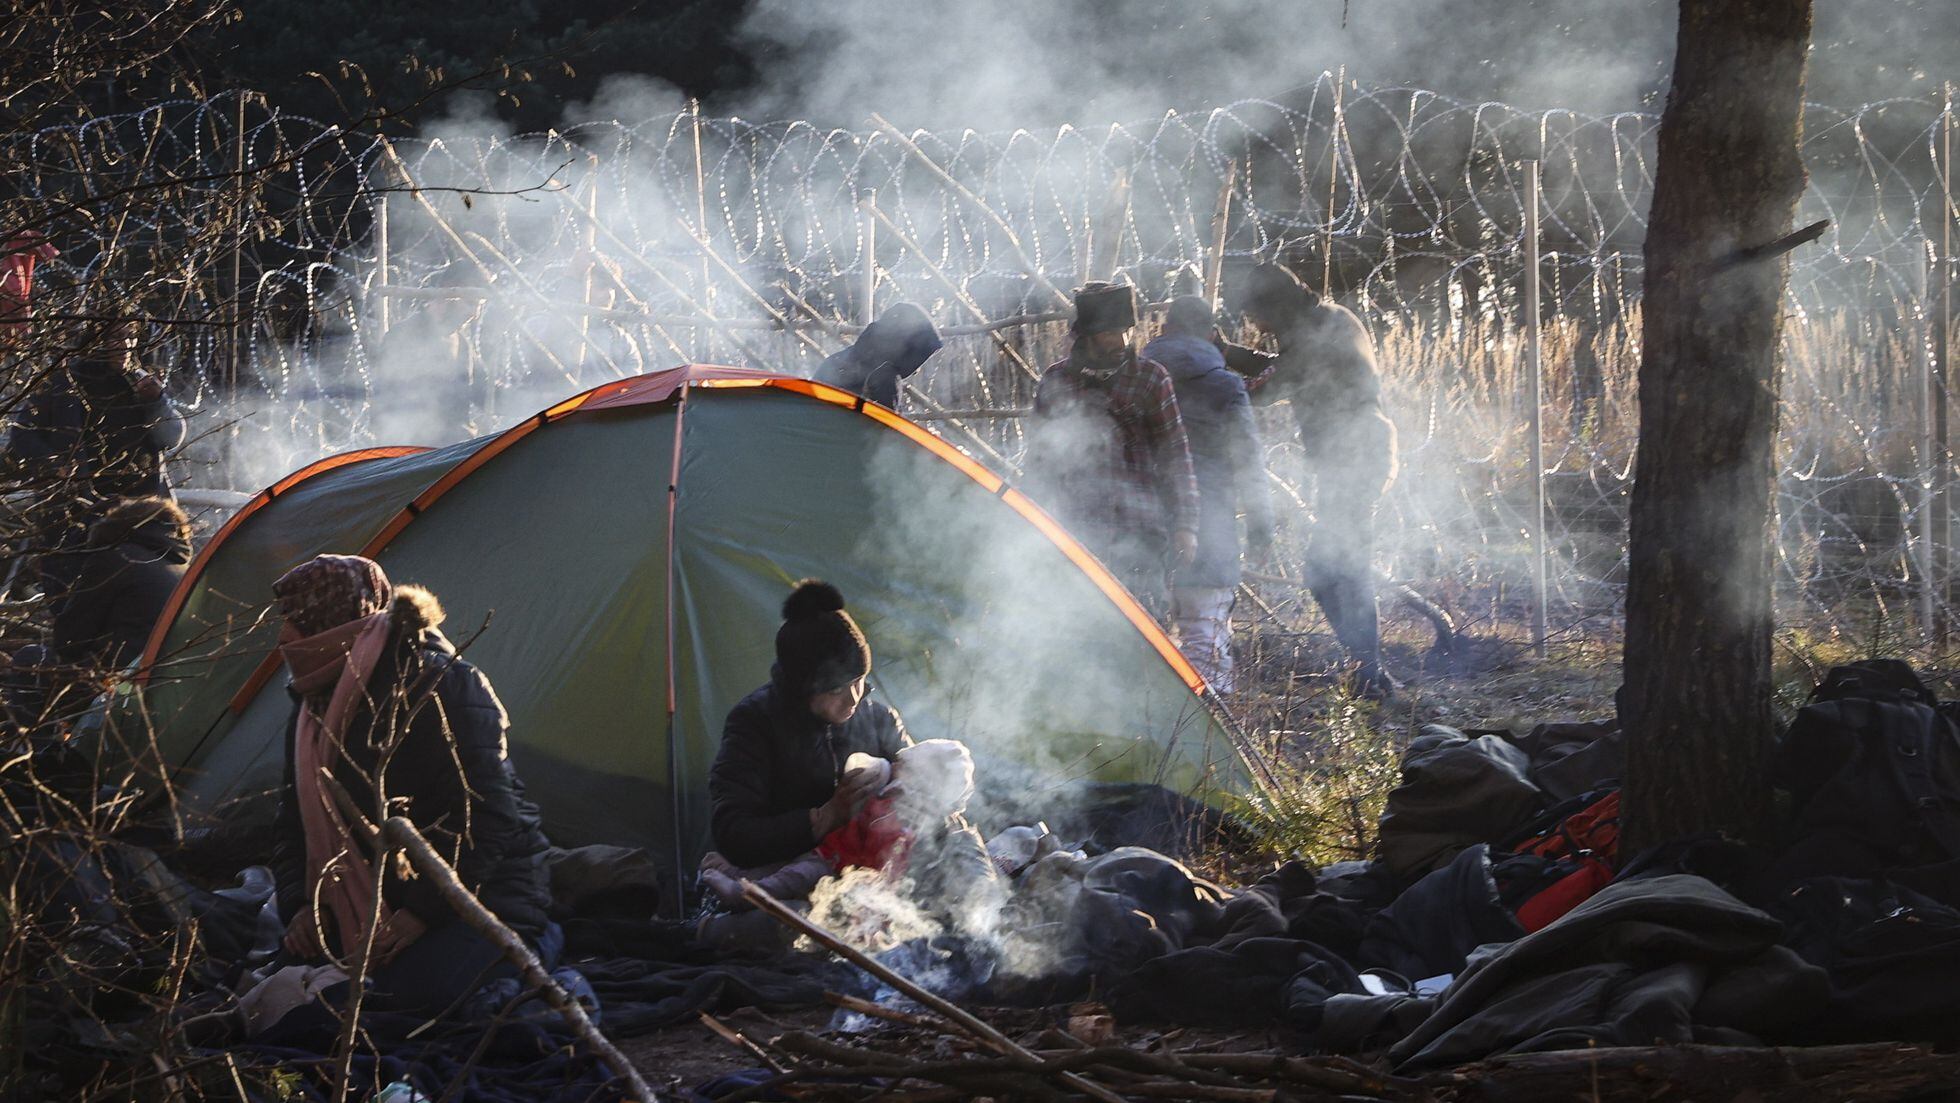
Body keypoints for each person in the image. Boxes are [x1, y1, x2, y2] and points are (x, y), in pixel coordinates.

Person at [266, 555, 552, 1017]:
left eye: (294, 622)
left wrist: (422, 912)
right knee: (283, 1000)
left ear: (333, 620)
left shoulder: (440, 685)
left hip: (479, 897)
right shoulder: (311, 706)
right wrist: (300, 904)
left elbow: (486, 814)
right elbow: (291, 821)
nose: (283, 638)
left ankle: (542, 940)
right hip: (367, 902)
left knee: (398, 1006)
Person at [1222, 263, 1400, 697]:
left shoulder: (1312, 340)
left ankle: (1371, 675)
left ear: (1275, 306)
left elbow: (1264, 388)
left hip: (1355, 456)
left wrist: (1210, 370)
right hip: (1355, 455)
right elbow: (1279, 367)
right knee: (1331, 568)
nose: (1257, 327)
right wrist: (1223, 352)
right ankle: (1367, 671)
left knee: (1338, 568)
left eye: (1257, 315)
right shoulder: (1329, 319)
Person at [696, 738, 999, 949]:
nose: (899, 769)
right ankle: (737, 883)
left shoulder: (931, 831)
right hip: (832, 855)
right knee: (789, 872)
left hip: (848, 884)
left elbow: (897, 875)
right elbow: (869, 770)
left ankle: (740, 896)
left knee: (792, 901)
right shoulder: (890, 789)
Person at [1024, 281, 1200, 615]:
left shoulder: (1150, 378)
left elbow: (1176, 456)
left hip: (1141, 532)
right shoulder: (1058, 382)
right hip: (1077, 532)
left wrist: (1186, 526)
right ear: (1086, 335)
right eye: (1109, 333)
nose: (1121, 342)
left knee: (1145, 629)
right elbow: (1039, 461)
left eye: (1125, 331)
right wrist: (1030, 522)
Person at [709, 579, 908, 873]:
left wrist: (901, 775)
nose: (854, 699)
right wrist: (825, 817)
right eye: (836, 690)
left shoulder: (878, 718)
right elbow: (734, 834)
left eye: (859, 681)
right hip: (792, 875)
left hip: (874, 869)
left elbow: (925, 785)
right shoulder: (754, 723)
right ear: (803, 690)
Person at [1141, 296, 1276, 692]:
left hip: (1142, 523)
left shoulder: (1137, 378)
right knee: (1206, 635)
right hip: (1210, 523)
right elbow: (1248, 462)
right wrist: (1261, 529)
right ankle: (1207, 733)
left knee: (1145, 637)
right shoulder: (1225, 385)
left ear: (1163, 330)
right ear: (1212, 335)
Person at [6, 323, 187, 606]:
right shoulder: (63, 383)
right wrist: (55, 466)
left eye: (131, 336)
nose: (126, 345)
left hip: (140, 519)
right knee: (77, 607)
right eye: (116, 336)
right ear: (94, 340)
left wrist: (156, 402)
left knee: (143, 605)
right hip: (77, 519)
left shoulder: (139, 383)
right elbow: (20, 437)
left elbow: (171, 436)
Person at [51, 496, 192, 673]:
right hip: (164, 677)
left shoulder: (117, 557)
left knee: (31, 658)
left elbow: (68, 639)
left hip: (115, 678)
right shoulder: (182, 569)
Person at [812, 302, 943, 408]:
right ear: (907, 349)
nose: (917, 369)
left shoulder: (839, 359)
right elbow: (887, 432)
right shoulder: (885, 376)